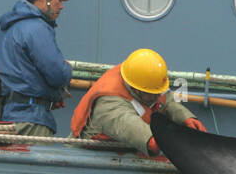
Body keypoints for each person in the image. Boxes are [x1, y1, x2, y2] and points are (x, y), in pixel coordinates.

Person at [71, 48, 206, 155]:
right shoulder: (110, 105)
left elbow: (167, 99)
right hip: (96, 155)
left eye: (159, 91)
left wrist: (186, 118)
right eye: (153, 94)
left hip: (126, 151)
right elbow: (148, 141)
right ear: (137, 89)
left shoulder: (142, 78)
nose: (158, 96)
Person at [0, 0, 73, 138]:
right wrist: (67, 70)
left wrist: (50, 95)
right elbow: (57, 73)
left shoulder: (7, 28)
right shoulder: (37, 29)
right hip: (31, 120)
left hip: (8, 116)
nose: (61, 6)